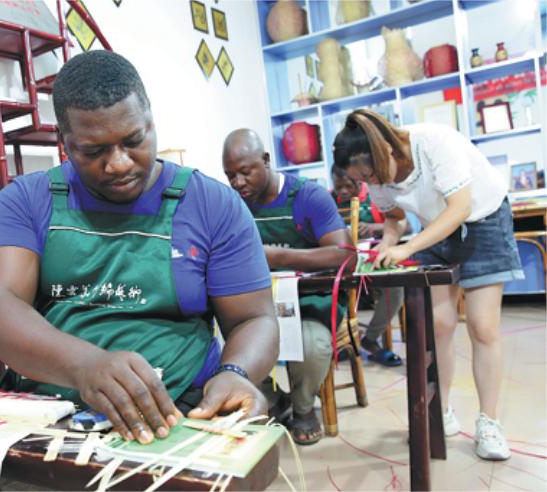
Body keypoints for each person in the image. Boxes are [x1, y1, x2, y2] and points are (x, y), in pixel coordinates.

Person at [0, 51, 279, 445]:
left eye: (133, 141)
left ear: (151, 120)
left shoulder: (211, 204)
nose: (118, 164)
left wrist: (234, 373)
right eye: (93, 151)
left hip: (180, 409)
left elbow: (255, 319)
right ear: (64, 143)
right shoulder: (28, 200)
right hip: (51, 413)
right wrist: (84, 366)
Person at [332, 109, 523, 461]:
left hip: (482, 220)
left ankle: (489, 422)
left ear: (385, 149)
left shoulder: (435, 142)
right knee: (439, 326)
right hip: (435, 227)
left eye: (371, 173)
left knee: (483, 328)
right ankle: (442, 413)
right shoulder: (374, 174)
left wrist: (408, 247)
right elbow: (394, 217)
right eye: (363, 178)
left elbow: (460, 207)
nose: (372, 182)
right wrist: (388, 244)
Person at [222, 129, 356, 445]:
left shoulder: (307, 196)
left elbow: (346, 257)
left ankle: (303, 408)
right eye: (230, 176)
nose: (238, 183)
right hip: (258, 309)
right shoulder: (232, 205)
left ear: (266, 161)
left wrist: (278, 256)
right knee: (222, 348)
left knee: (312, 344)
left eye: (245, 172)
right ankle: (274, 399)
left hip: (312, 304)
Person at [331, 166, 405, 367]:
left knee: (396, 290)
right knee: (327, 290)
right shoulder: (329, 201)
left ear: (359, 182)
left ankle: (370, 339)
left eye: (348, 186)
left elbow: (406, 225)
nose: (344, 192)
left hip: (373, 261)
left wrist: (373, 228)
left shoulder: (374, 198)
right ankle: (343, 341)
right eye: (339, 187)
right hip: (341, 265)